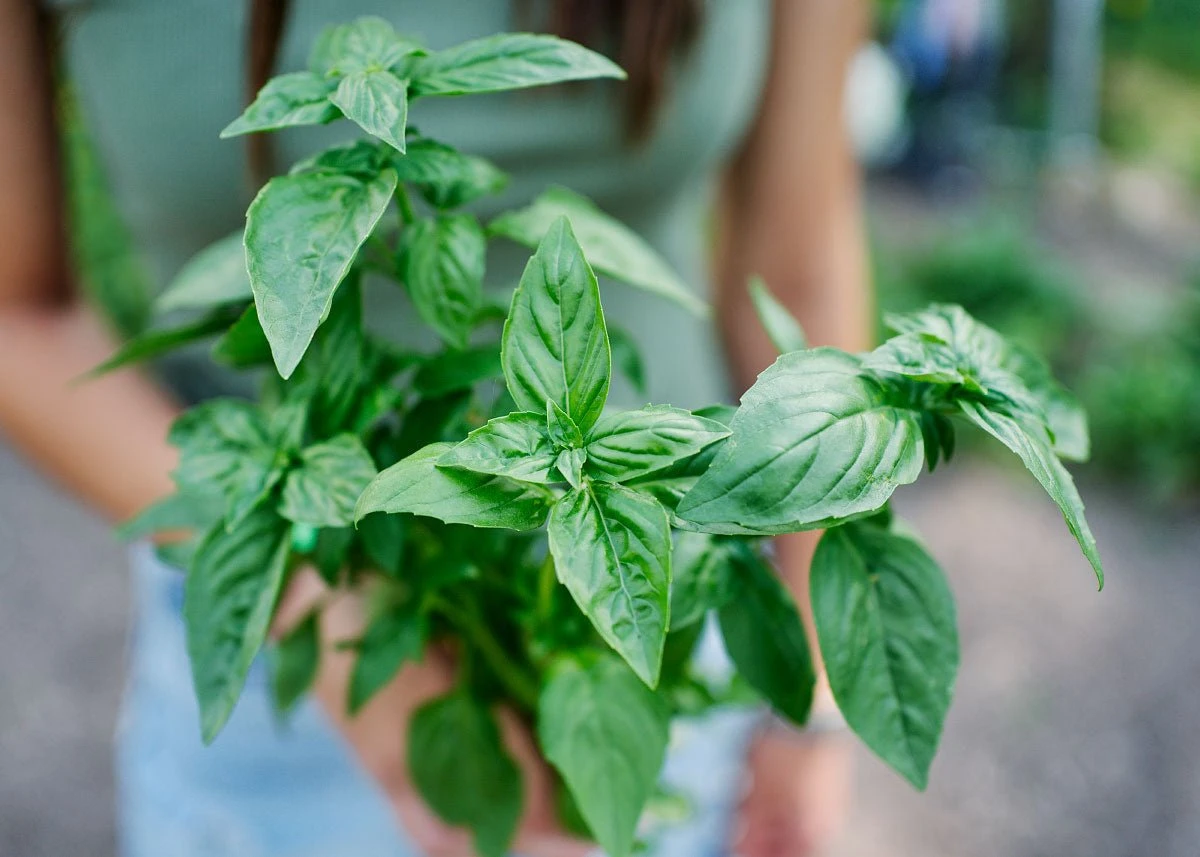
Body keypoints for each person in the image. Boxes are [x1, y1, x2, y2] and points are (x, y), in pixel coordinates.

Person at [0, 1, 870, 855]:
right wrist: (309, 589)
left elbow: (799, 267)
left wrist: (815, 693)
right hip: (283, 636)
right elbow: (14, 314)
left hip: (676, 625)